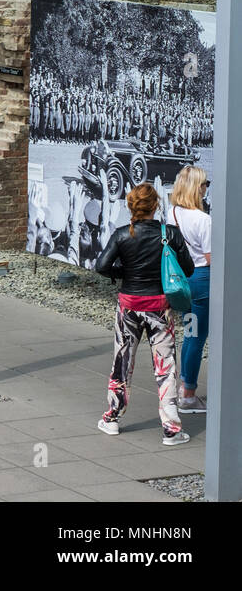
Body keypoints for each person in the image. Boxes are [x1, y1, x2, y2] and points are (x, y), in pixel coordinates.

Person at [94, 182, 193, 446]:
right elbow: (188, 269)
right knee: (166, 366)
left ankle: (112, 418)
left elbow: (102, 266)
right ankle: (171, 429)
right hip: (159, 307)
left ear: (130, 205)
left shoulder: (121, 235)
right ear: (156, 205)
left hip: (129, 306)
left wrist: (123, 274)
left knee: (122, 361)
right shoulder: (169, 234)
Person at [168, 165, 212, 414]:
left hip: (183, 281)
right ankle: (189, 394)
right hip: (201, 281)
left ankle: (185, 385)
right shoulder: (203, 220)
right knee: (196, 336)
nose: (207, 188)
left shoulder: (172, 213)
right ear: (197, 188)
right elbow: (210, 257)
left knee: (190, 332)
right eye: (205, 183)